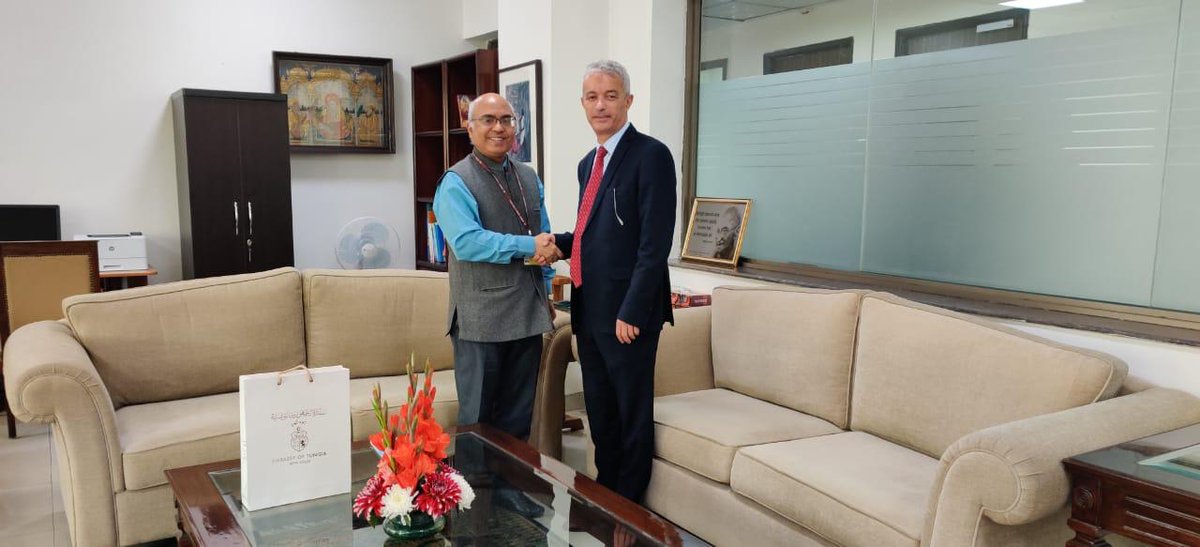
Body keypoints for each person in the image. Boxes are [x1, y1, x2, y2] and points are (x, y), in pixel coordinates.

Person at [546, 60, 676, 504]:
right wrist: (559, 242)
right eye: (592, 97)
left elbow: (653, 244)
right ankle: (607, 492)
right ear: (582, 103)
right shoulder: (589, 162)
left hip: (627, 315)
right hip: (590, 308)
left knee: (631, 412)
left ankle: (630, 506)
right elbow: (593, 231)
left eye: (611, 95)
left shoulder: (651, 155)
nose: (601, 105)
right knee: (599, 411)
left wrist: (634, 310)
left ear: (628, 100)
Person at [432, 93, 560, 517]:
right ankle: (473, 504)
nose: (499, 128)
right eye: (488, 119)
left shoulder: (527, 175)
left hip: (526, 313)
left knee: (518, 420)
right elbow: (466, 242)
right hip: (480, 319)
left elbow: (544, 238)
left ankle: (513, 495)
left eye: (507, 119)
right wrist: (529, 246)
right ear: (469, 127)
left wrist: (545, 289)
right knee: (479, 424)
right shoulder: (455, 181)